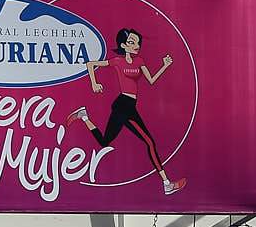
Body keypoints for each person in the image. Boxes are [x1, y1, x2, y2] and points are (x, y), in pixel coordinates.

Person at [63, 27, 187, 196]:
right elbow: (90, 64)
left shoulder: (139, 61)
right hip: (122, 105)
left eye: (137, 43)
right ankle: (166, 184)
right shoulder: (118, 61)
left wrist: (164, 66)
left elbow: (151, 80)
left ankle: (84, 116)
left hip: (129, 106)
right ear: (123, 45)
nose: (136, 46)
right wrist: (94, 83)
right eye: (131, 42)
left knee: (105, 142)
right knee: (149, 142)